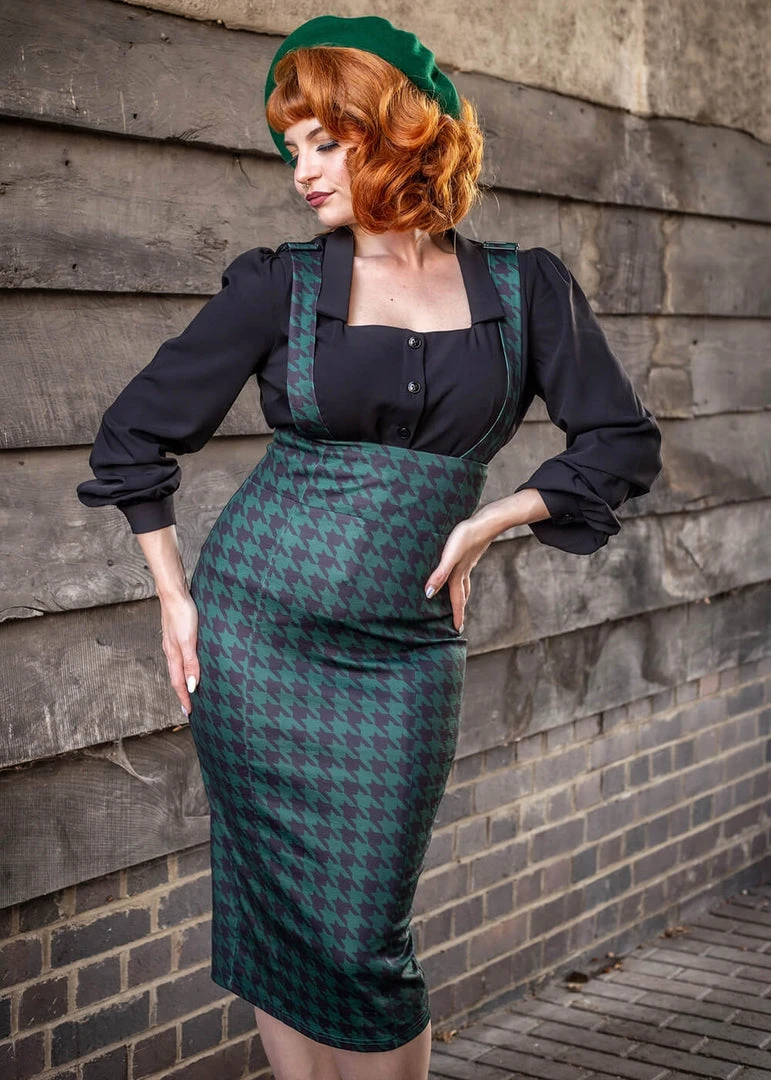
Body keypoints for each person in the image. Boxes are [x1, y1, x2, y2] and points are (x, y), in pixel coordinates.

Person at [76, 15, 662, 1080]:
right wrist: (173, 596)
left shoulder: (524, 290)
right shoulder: (279, 284)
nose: (300, 170)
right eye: (289, 146)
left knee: (363, 939)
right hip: (255, 637)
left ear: (399, 133)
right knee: (281, 916)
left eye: (324, 142)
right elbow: (134, 434)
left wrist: (489, 520)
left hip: (404, 653)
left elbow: (620, 440)